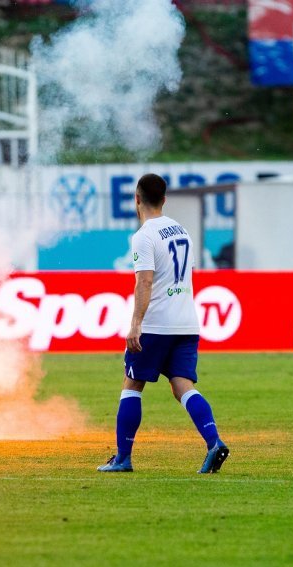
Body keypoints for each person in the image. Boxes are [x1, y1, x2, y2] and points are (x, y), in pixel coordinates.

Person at [98, 173, 229, 472]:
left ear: (137, 199)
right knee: (182, 385)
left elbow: (145, 281)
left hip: (157, 324)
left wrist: (135, 323)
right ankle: (214, 442)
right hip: (186, 322)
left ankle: (122, 458)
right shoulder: (182, 230)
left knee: (131, 386)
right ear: (165, 199)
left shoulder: (144, 236)